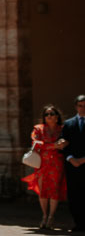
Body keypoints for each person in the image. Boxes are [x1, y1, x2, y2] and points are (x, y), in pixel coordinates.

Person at [24, 105, 68, 229]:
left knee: (54, 190)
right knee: (42, 190)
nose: (49, 116)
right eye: (46, 114)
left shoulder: (62, 129)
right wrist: (54, 146)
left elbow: (67, 142)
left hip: (57, 163)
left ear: (57, 116)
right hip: (42, 163)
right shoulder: (38, 129)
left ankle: (51, 217)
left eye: (52, 114)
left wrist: (62, 144)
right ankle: (44, 215)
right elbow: (35, 143)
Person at [62, 94, 85, 232]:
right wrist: (71, 158)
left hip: (84, 162)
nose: (83, 108)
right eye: (80, 105)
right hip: (73, 166)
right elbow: (63, 143)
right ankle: (79, 223)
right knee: (75, 196)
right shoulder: (69, 124)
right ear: (76, 107)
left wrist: (82, 160)